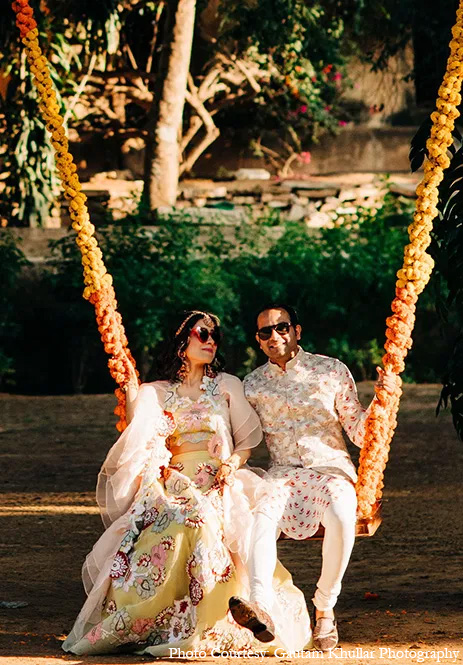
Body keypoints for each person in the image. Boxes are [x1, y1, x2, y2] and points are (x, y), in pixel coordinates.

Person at [62, 310, 311, 656]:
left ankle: (224, 617)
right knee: (184, 518)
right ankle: (166, 620)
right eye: (202, 334)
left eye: (215, 336)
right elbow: (139, 438)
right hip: (173, 482)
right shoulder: (156, 392)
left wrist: (230, 464)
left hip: (221, 480)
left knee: (204, 518)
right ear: (181, 341)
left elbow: (246, 444)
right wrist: (131, 390)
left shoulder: (227, 385)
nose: (211, 342)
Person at [229, 304, 396, 652]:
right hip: (283, 474)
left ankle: (324, 607)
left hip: (330, 470)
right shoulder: (252, 385)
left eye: (282, 327)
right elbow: (239, 436)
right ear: (258, 340)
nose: (274, 336)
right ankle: (260, 606)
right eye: (265, 332)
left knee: (342, 512)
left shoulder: (331, 371)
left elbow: (360, 433)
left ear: (297, 331)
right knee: (260, 517)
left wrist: (383, 400)